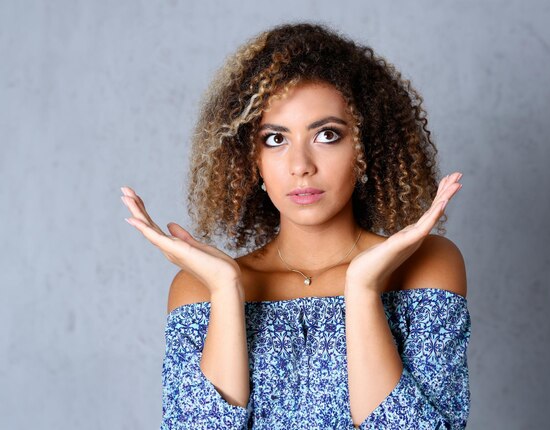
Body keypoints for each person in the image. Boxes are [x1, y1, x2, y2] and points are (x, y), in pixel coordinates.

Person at [121, 21, 470, 429]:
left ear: (365, 149)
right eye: (275, 139)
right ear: (250, 161)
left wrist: (362, 288)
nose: (300, 166)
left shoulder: (426, 267)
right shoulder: (198, 288)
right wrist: (224, 289)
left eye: (327, 135)